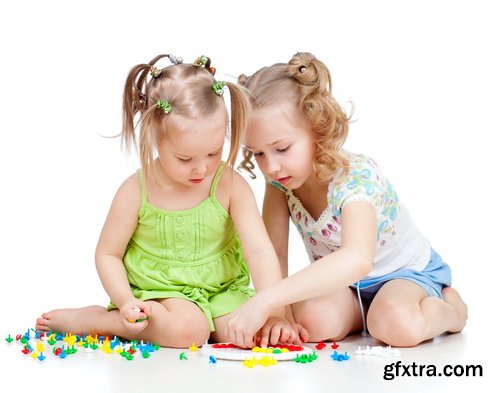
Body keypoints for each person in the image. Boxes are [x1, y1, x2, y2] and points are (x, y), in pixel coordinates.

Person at [35, 54, 297, 348]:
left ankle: (211, 322)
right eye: (185, 158)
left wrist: (273, 311)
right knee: (189, 331)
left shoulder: (230, 185)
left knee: (253, 332)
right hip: (159, 293)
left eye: (212, 153)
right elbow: (107, 254)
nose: (201, 168)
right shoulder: (136, 190)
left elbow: (260, 252)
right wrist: (124, 302)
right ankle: (100, 321)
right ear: (155, 138)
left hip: (222, 290)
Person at [225, 52, 468, 348]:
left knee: (395, 325)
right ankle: (363, 316)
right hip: (346, 285)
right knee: (311, 323)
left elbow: (357, 257)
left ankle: (452, 311)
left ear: (316, 128)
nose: (271, 166)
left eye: (283, 148)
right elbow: (275, 253)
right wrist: (278, 315)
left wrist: (267, 299)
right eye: (258, 153)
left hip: (404, 274)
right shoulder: (280, 181)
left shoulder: (355, 177)